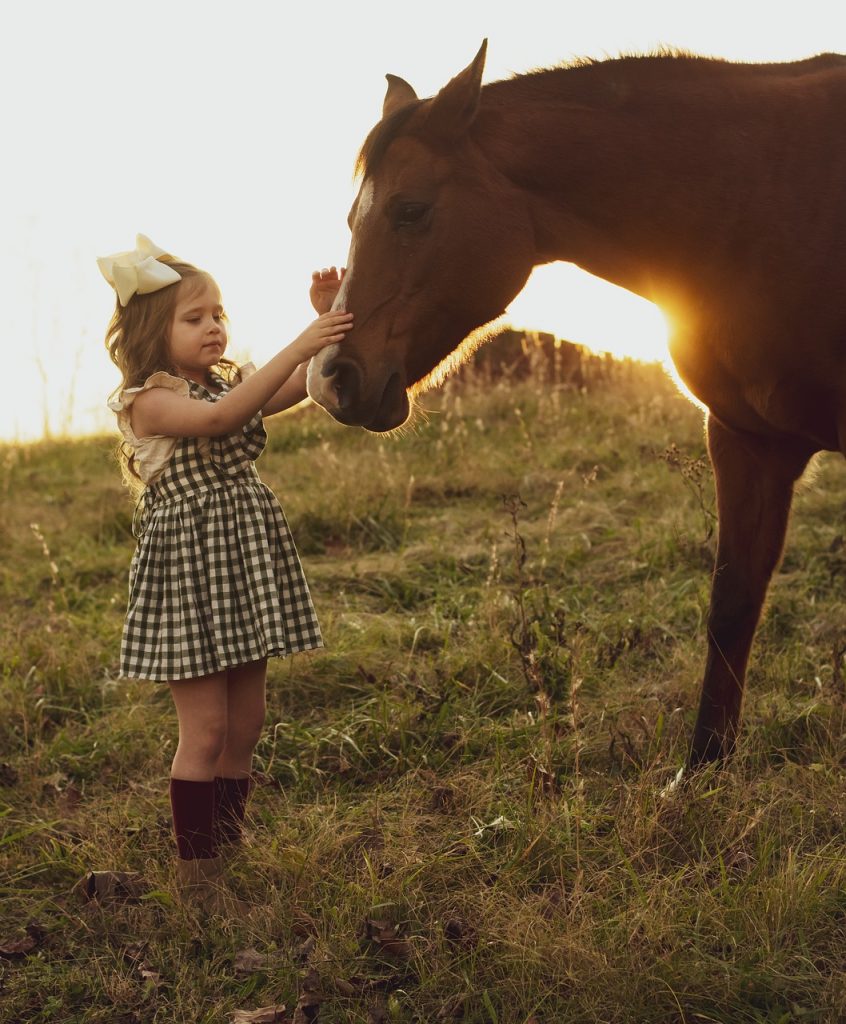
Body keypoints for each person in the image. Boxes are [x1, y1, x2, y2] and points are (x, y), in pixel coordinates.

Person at [99, 234, 351, 907]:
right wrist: (301, 340)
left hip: (242, 563)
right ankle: (196, 878)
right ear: (156, 330)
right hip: (190, 579)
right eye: (194, 317)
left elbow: (299, 385)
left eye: (218, 314)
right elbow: (222, 419)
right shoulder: (147, 400)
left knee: (246, 726)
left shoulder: (225, 383)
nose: (213, 326)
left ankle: (229, 855)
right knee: (205, 732)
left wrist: (331, 314)